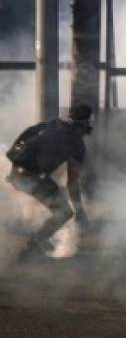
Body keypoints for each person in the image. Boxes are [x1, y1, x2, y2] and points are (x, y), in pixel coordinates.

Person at [5, 104, 92, 258]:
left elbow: (26, 135)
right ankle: (32, 248)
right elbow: (73, 182)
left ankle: (38, 242)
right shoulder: (77, 144)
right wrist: (80, 210)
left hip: (17, 174)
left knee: (53, 191)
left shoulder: (52, 124)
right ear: (86, 121)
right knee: (64, 212)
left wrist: (14, 167)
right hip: (31, 178)